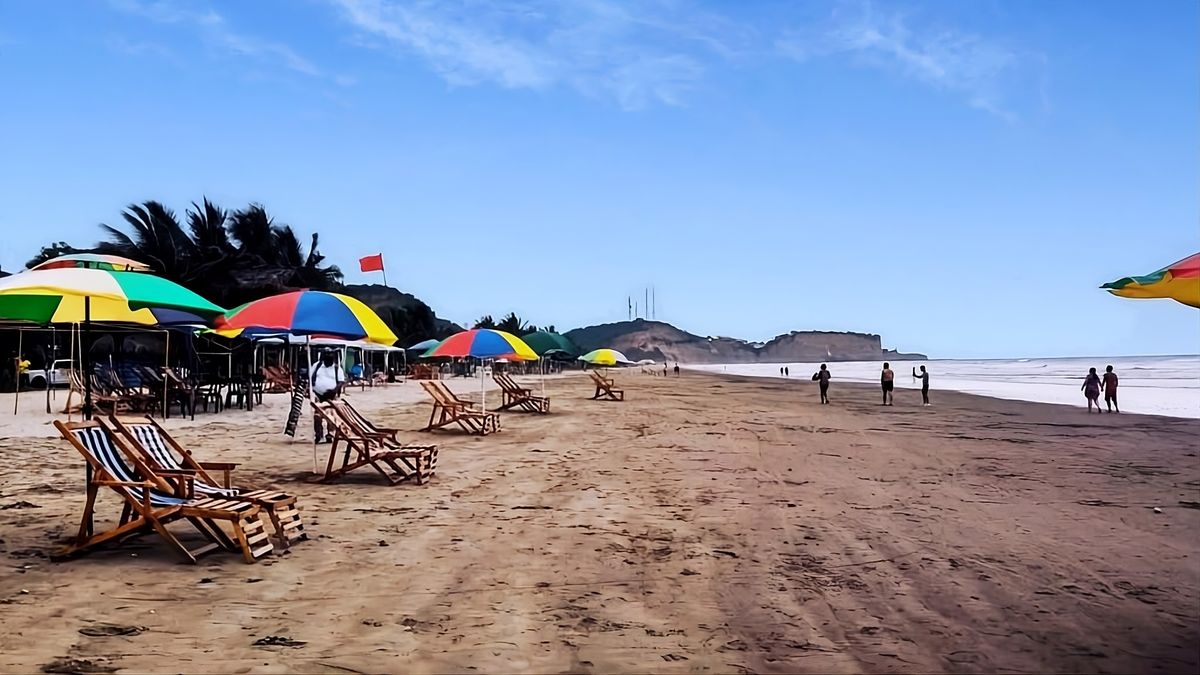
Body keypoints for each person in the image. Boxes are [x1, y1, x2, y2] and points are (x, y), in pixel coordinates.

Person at [311, 349, 345, 443]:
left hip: (331, 396)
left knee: (331, 415)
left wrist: (334, 390)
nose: (329, 361)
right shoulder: (316, 366)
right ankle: (318, 435)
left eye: (331, 358)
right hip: (318, 395)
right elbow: (310, 378)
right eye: (327, 358)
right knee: (317, 416)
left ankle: (330, 434)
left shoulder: (337, 368)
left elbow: (341, 381)